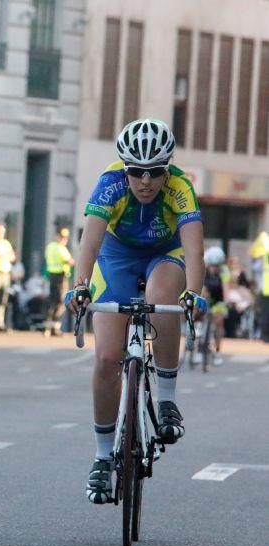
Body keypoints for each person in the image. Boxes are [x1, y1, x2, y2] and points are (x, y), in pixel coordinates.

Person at [64, 118, 206, 505]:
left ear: (168, 168)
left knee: (164, 296)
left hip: (166, 253)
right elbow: (89, 245)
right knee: (108, 356)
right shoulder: (109, 183)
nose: (145, 181)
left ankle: (166, 400)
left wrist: (194, 293)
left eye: (155, 171)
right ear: (124, 168)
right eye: (136, 172)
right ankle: (101, 455)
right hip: (117, 255)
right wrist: (78, 287)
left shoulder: (181, 188)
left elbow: (194, 251)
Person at [43, 226, 75, 336]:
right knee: (60, 301)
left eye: (65, 237)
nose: (64, 239)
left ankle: (49, 326)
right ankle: (54, 326)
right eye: (62, 237)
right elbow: (69, 261)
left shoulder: (50, 246)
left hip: (52, 275)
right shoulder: (60, 248)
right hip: (60, 277)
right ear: (57, 236)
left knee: (53, 300)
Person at [201, 246, 230, 363]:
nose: (214, 268)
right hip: (206, 298)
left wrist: (226, 301)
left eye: (216, 266)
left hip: (219, 300)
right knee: (198, 313)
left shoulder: (224, 271)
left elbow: (226, 289)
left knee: (219, 320)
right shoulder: (203, 270)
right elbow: (201, 287)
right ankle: (197, 344)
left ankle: (217, 349)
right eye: (211, 265)